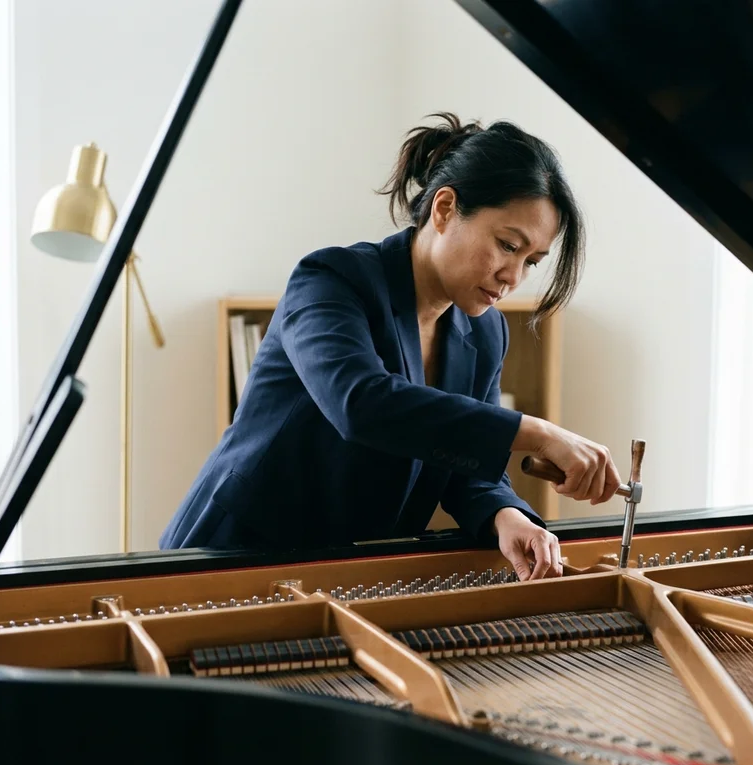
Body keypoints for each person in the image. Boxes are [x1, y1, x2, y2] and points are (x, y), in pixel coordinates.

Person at [159, 112, 621, 580]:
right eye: (507, 245)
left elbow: (465, 466)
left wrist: (507, 514)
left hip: (353, 574)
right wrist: (541, 433)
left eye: (532, 261)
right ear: (443, 209)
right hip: (234, 559)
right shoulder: (333, 281)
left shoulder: (486, 333)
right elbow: (361, 403)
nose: (513, 276)